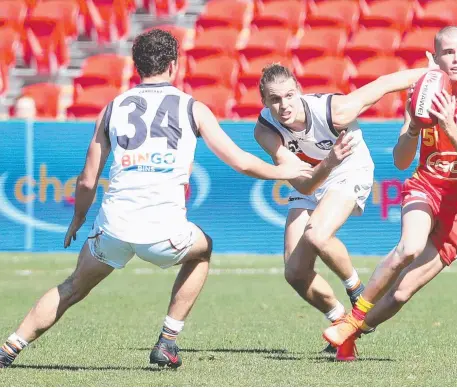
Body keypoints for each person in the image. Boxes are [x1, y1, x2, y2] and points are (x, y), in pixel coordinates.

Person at [0, 29, 313, 369]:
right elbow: (239, 161)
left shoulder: (112, 108)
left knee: (72, 286)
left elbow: (88, 178)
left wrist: (78, 218)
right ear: (174, 66)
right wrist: (287, 171)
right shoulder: (192, 108)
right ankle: (168, 341)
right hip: (164, 231)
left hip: (114, 227)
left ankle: (9, 348)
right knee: (203, 249)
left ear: (137, 67)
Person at [323, 26, 457, 361]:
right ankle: (354, 317)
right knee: (410, 246)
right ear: (435, 59)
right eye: (448, 53)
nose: (456, 59)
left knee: (403, 292)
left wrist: (448, 125)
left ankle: (348, 333)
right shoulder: (423, 94)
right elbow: (401, 160)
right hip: (427, 187)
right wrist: (415, 128)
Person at [254, 55, 437, 359]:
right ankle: (341, 322)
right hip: (315, 175)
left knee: (317, 234)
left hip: (349, 168)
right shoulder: (265, 130)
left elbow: (385, 84)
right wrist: (328, 161)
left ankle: (358, 294)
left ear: (298, 90)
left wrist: (433, 73)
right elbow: (304, 185)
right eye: (274, 100)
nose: (284, 105)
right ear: (264, 102)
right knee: (295, 272)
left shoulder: (334, 111)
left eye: (289, 95)